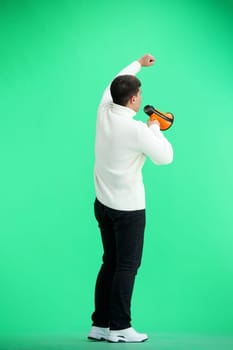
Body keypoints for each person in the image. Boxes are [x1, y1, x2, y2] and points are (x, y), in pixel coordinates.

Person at [88, 54, 173, 343]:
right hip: (129, 210)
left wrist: (138, 63)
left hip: (103, 204)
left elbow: (114, 81)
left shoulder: (103, 109)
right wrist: (154, 128)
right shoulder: (138, 130)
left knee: (109, 262)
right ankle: (121, 327)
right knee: (127, 266)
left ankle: (100, 325)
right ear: (134, 100)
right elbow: (165, 157)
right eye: (139, 94)